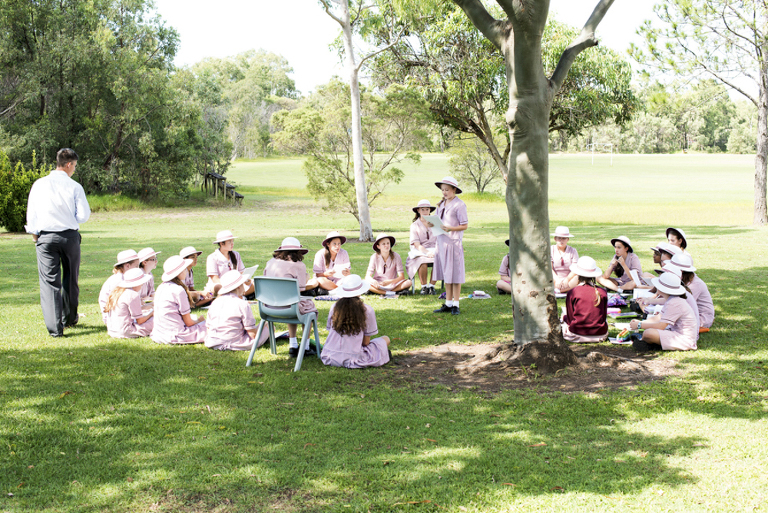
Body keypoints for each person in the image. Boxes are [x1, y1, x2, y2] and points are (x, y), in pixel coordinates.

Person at [25, 148, 91, 337]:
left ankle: (55, 328)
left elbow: (32, 212)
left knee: (49, 282)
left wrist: (35, 234)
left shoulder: (39, 184)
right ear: (69, 164)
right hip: (69, 236)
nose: (74, 170)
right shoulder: (74, 186)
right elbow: (83, 215)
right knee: (71, 278)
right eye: (75, 166)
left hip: (46, 237)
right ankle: (69, 318)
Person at [320, 274, 391, 368]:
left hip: (329, 355)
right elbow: (366, 343)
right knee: (386, 339)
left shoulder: (334, 307)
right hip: (353, 356)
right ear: (360, 291)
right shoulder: (367, 310)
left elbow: (330, 330)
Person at [263, 237, 318, 356]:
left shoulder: (270, 263)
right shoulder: (299, 265)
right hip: (289, 308)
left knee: (293, 301)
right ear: (298, 252)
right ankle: (306, 346)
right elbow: (302, 288)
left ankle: (293, 344)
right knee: (307, 308)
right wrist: (307, 278)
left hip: (268, 307)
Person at [629, 273, 698, 352]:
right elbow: (658, 317)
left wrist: (639, 325)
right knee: (648, 331)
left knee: (648, 333)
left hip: (684, 340)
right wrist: (641, 322)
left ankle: (648, 343)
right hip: (677, 334)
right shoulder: (671, 300)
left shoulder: (674, 302)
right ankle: (647, 342)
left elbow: (661, 326)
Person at [432, 177, 468, 315]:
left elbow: (464, 225)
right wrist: (432, 223)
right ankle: (447, 303)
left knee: (455, 274)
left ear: (454, 190)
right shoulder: (441, 204)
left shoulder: (460, 205)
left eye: (447, 189)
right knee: (447, 273)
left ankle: (456, 304)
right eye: (443, 190)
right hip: (441, 242)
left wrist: (450, 228)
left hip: (453, 243)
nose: (445, 192)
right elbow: (437, 221)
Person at [151, 255, 207, 344]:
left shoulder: (161, 287)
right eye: (184, 269)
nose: (186, 271)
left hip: (159, 334)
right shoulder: (178, 290)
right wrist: (200, 321)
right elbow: (189, 323)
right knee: (211, 326)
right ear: (179, 272)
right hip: (176, 335)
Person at [204, 270, 258, 351]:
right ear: (239, 286)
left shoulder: (215, 303)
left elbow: (208, 328)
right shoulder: (242, 304)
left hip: (212, 342)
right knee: (266, 326)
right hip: (234, 343)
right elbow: (252, 334)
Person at [560, 256, 608, 343]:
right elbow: (603, 316)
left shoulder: (573, 291)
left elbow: (570, 319)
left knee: (563, 316)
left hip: (577, 333)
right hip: (600, 333)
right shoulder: (602, 291)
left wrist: (564, 317)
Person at [666, 253, 714, 330]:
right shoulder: (683, 280)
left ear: (681, 271)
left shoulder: (695, 284)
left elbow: (682, 304)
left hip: (702, 318)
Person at [104, 268, 154, 338]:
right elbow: (140, 320)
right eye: (141, 284)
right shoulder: (133, 294)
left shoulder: (117, 292)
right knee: (156, 320)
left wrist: (144, 307)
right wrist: (152, 313)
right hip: (126, 331)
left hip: (113, 330)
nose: (141, 286)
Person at [206, 230, 254, 296]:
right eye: (229, 242)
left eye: (232, 241)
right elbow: (215, 279)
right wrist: (228, 286)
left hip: (235, 284)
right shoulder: (212, 257)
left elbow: (241, 273)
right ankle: (237, 294)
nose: (232, 244)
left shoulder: (236, 255)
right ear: (221, 243)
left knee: (254, 283)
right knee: (217, 287)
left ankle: (236, 294)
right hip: (221, 286)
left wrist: (246, 281)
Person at [98, 250, 140, 324]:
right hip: (114, 318)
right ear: (127, 266)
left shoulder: (124, 278)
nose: (138, 269)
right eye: (136, 266)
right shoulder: (118, 281)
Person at [405, 199, 438, 295]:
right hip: (420, 250)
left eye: (427, 209)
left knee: (438, 260)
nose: (425, 211)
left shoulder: (435, 222)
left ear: (430, 210)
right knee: (422, 261)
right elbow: (417, 245)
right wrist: (427, 252)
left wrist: (436, 251)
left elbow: (441, 239)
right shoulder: (414, 226)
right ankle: (424, 287)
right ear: (418, 211)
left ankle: (432, 286)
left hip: (435, 249)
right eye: (422, 209)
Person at [551, 226, 579, 293]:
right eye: (559, 238)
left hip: (569, 280)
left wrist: (567, 279)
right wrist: (557, 279)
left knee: (580, 277)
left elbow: (575, 269)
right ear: (555, 239)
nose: (561, 241)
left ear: (568, 239)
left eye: (564, 238)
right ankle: (562, 289)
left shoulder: (573, 251)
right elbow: (549, 268)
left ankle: (558, 290)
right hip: (554, 278)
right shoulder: (551, 250)